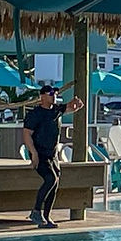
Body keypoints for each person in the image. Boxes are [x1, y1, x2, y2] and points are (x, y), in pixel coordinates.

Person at [23, 85, 85, 229]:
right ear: (42, 96)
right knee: (50, 179)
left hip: (52, 154)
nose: (54, 95)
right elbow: (26, 134)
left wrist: (77, 105)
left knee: (55, 182)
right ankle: (36, 211)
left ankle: (46, 216)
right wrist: (33, 153)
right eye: (50, 93)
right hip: (39, 153)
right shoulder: (35, 114)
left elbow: (69, 108)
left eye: (55, 93)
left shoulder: (56, 110)